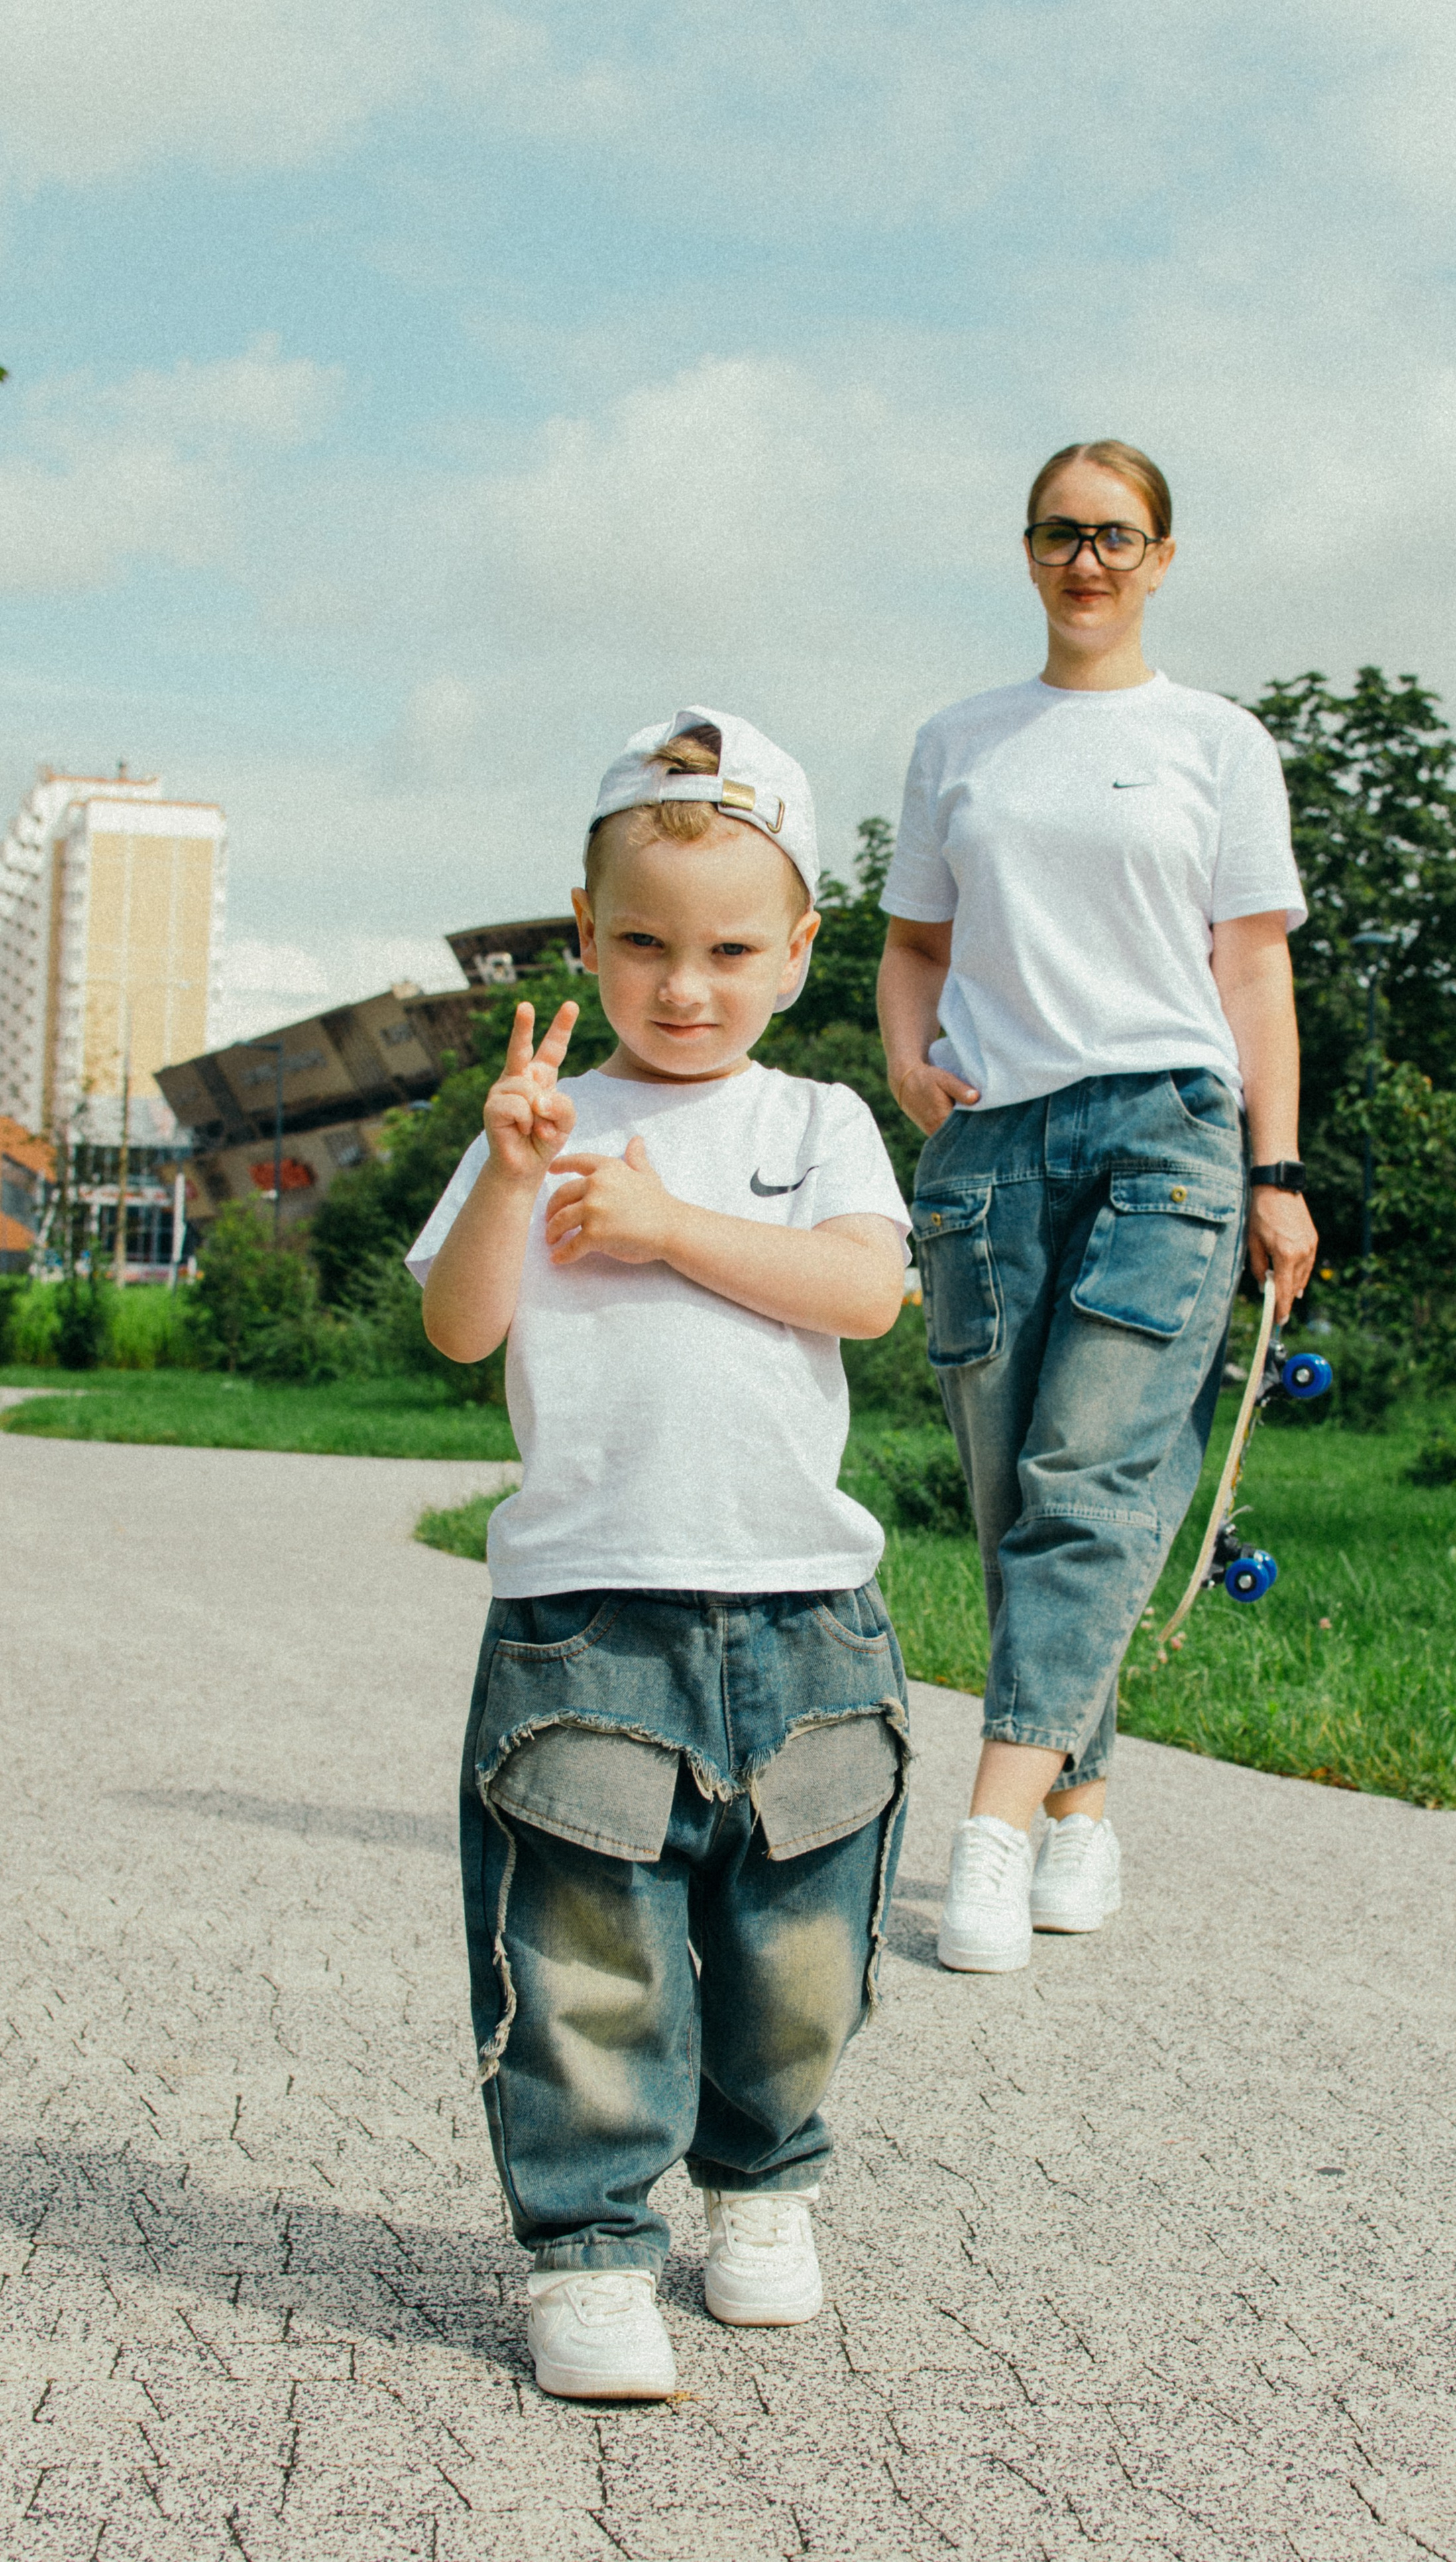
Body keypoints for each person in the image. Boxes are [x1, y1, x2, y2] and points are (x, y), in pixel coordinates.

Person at [410, 710, 913, 2400]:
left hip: (802, 1609)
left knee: (795, 1942)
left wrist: (663, 1224)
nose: (681, 986)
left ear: (796, 952)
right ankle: (589, 2250)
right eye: (640, 944)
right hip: (586, 1608)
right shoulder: (545, 1123)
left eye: (724, 950)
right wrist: (509, 1173)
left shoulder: (821, 1116)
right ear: (582, 931)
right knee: (584, 1945)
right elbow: (458, 1328)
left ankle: (763, 2185)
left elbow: (865, 1293)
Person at [877, 439, 1317, 1975]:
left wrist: (1275, 1170)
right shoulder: (959, 741)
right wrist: (904, 1061)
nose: (1089, 561)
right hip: (991, 1147)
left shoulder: (1215, 742)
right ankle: (1080, 1813)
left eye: (1118, 537)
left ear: (1162, 558)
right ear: (1024, 551)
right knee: (1017, 1503)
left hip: (1168, 1136)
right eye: (1062, 534)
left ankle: (986, 1832)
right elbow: (912, 945)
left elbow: (1251, 970)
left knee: (1087, 1472)